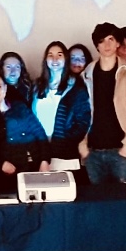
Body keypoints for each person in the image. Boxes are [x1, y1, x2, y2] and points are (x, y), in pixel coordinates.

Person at [80, 23, 126, 184]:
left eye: (111, 39)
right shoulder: (86, 74)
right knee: (97, 199)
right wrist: (82, 146)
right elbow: (79, 113)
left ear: (118, 43)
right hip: (93, 152)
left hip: (121, 151)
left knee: (124, 198)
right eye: (102, 40)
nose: (107, 44)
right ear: (96, 45)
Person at [0, 71, 50, 192]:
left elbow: (39, 133)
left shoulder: (20, 107)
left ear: (5, 87)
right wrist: (0, 163)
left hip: (32, 166)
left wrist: (44, 160)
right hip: (5, 173)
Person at [32, 41, 90, 174]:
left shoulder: (76, 86)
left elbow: (83, 121)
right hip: (40, 151)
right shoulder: (37, 86)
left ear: (66, 59)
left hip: (65, 152)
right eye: (50, 55)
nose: (55, 59)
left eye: (59, 55)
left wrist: (66, 139)